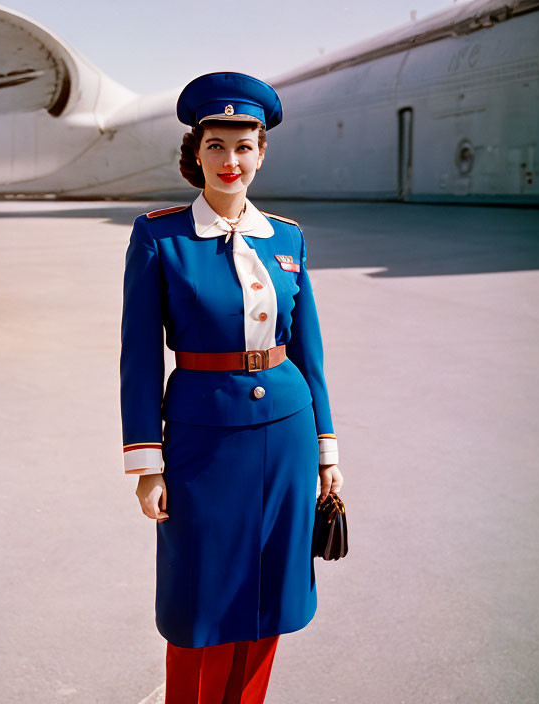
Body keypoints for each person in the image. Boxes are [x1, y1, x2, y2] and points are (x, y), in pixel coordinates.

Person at [120, 72, 344, 704]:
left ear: (262, 153)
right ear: (195, 152)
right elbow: (138, 357)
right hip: (202, 442)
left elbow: (310, 352)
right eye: (216, 145)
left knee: (270, 594)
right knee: (201, 598)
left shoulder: (288, 238)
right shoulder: (159, 237)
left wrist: (327, 452)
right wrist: (146, 463)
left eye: (244, 146)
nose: (230, 161)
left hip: (287, 435)